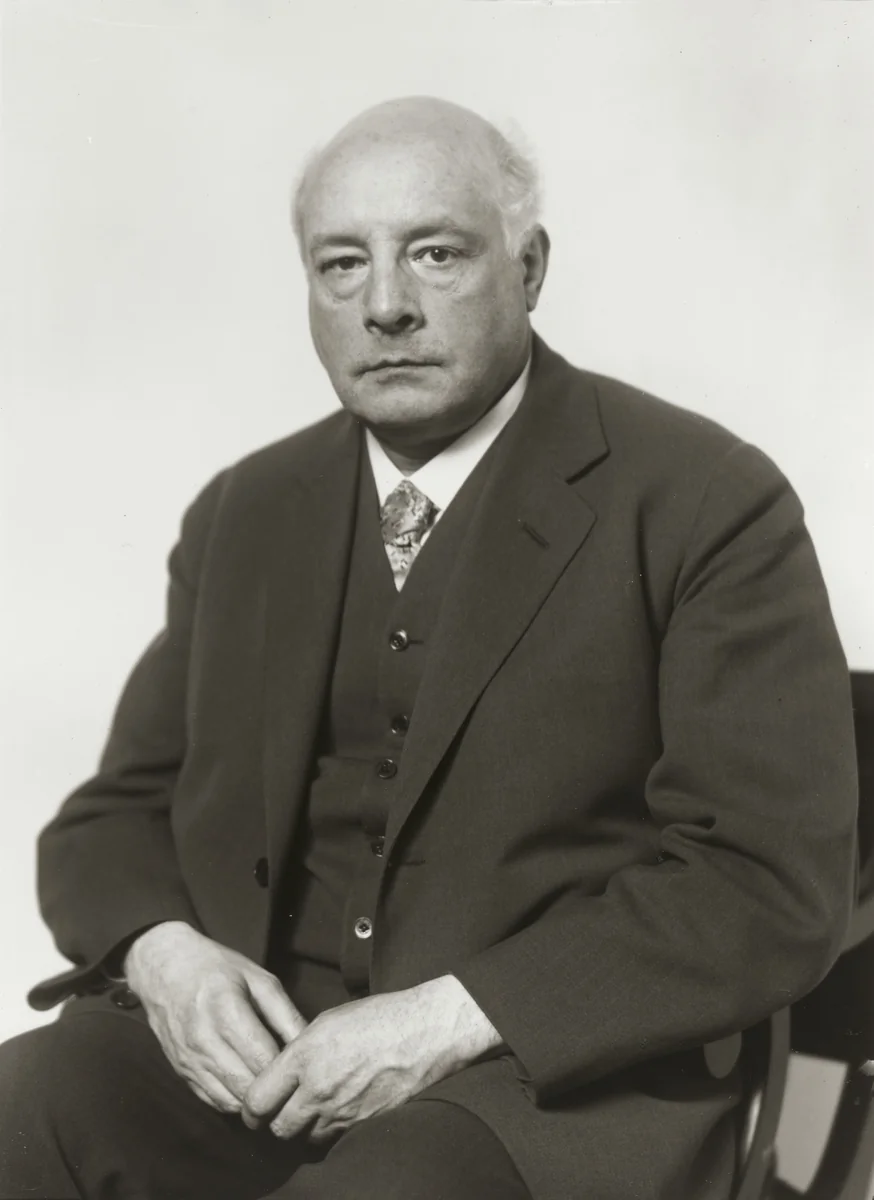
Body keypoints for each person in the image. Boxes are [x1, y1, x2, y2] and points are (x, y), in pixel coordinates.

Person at [0, 96, 858, 1200]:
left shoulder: (704, 500)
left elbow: (762, 885)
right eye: (342, 265)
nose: (386, 306)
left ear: (529, 266)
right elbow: (115, 811)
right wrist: (165, 957)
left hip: (543, 1089)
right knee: (24, 1105)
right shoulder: (247, 510)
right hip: (272, 1070)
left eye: (436, 254)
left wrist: (446, 1019)